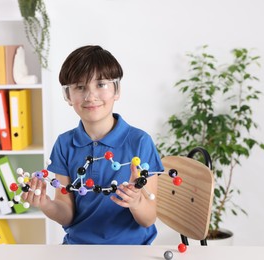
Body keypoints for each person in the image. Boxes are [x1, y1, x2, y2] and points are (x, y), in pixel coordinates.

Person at [22, 45, 164, 245]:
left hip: (132, 249)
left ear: (117, 90)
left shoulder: (140, 142)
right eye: (80, 87)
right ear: (68, 96)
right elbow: (67, 214)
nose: (90, 96)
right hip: (79, 248)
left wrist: (136, 201)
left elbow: (148, 218)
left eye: (101, 84)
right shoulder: (65, 144)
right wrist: (45, 204)